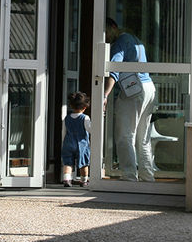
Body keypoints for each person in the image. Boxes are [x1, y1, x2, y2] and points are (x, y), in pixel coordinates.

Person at [103, 18, 156, 182]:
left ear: (113, 27)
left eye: (105, 32)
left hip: (134, 91)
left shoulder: (120, 42)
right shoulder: (135, 40)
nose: (104, 37)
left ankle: (129, 176)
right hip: (149, 88)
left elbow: (114, 70)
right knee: (143, 137)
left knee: (125, 135)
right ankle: (147, 176)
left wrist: (104, 95)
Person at [60, 91, 91, 187]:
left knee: (68, 162)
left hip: (68, 143)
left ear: (71, 106)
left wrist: (63, 143)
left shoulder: (67, 118)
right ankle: (84, 180)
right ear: (85, 107)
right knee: (83, 163)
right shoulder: (85, 118)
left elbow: (63, 132)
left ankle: (66, 179)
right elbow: (90, 129)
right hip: (82, 145)